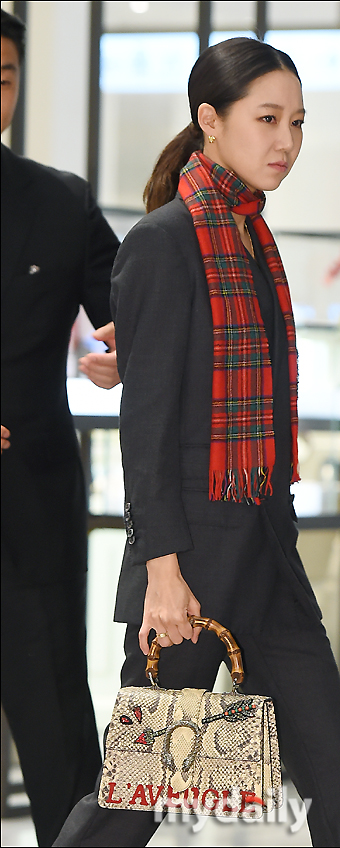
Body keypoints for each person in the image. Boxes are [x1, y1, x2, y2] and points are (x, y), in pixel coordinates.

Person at [53, 38, 340, 847]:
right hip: (194, 565)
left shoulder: (249, 238)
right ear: (210, 120)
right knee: (135, 794)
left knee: (339, 780)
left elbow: (204, 371)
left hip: (267, 545)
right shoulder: (166, 238)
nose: (286, 141)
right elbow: (148, 427)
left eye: (297, 122)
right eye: (267, 119)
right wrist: (162, 572)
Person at [1, 10, 121, 847]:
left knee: (61, 748)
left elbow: (135, 309)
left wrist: (128, 351)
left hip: (31, 519)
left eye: (3, 77)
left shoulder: (60, 201)